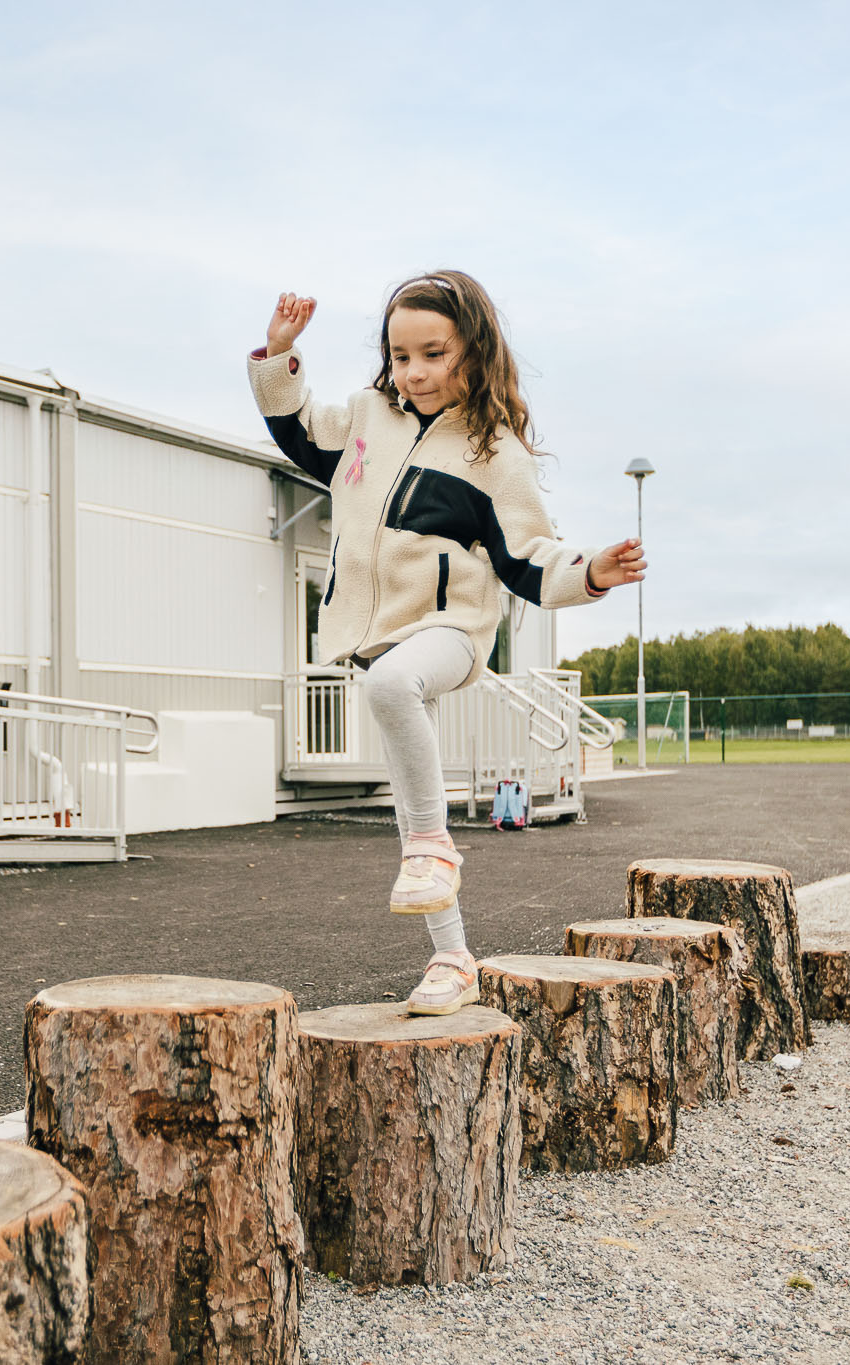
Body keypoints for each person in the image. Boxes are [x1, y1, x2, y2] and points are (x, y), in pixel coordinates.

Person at [247, 270, 646, 1014]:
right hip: (381, 636)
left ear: (474, 351)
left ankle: (434, 849)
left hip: (454, 630)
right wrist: (278, 354)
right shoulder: (367, 417)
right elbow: (297, 429)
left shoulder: (494, 454)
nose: (415, 373)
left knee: (391, 692)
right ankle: (454, 957)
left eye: (434, 354)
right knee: (411, 796)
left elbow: (527, 557)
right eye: (400, 357)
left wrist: (590, 572)